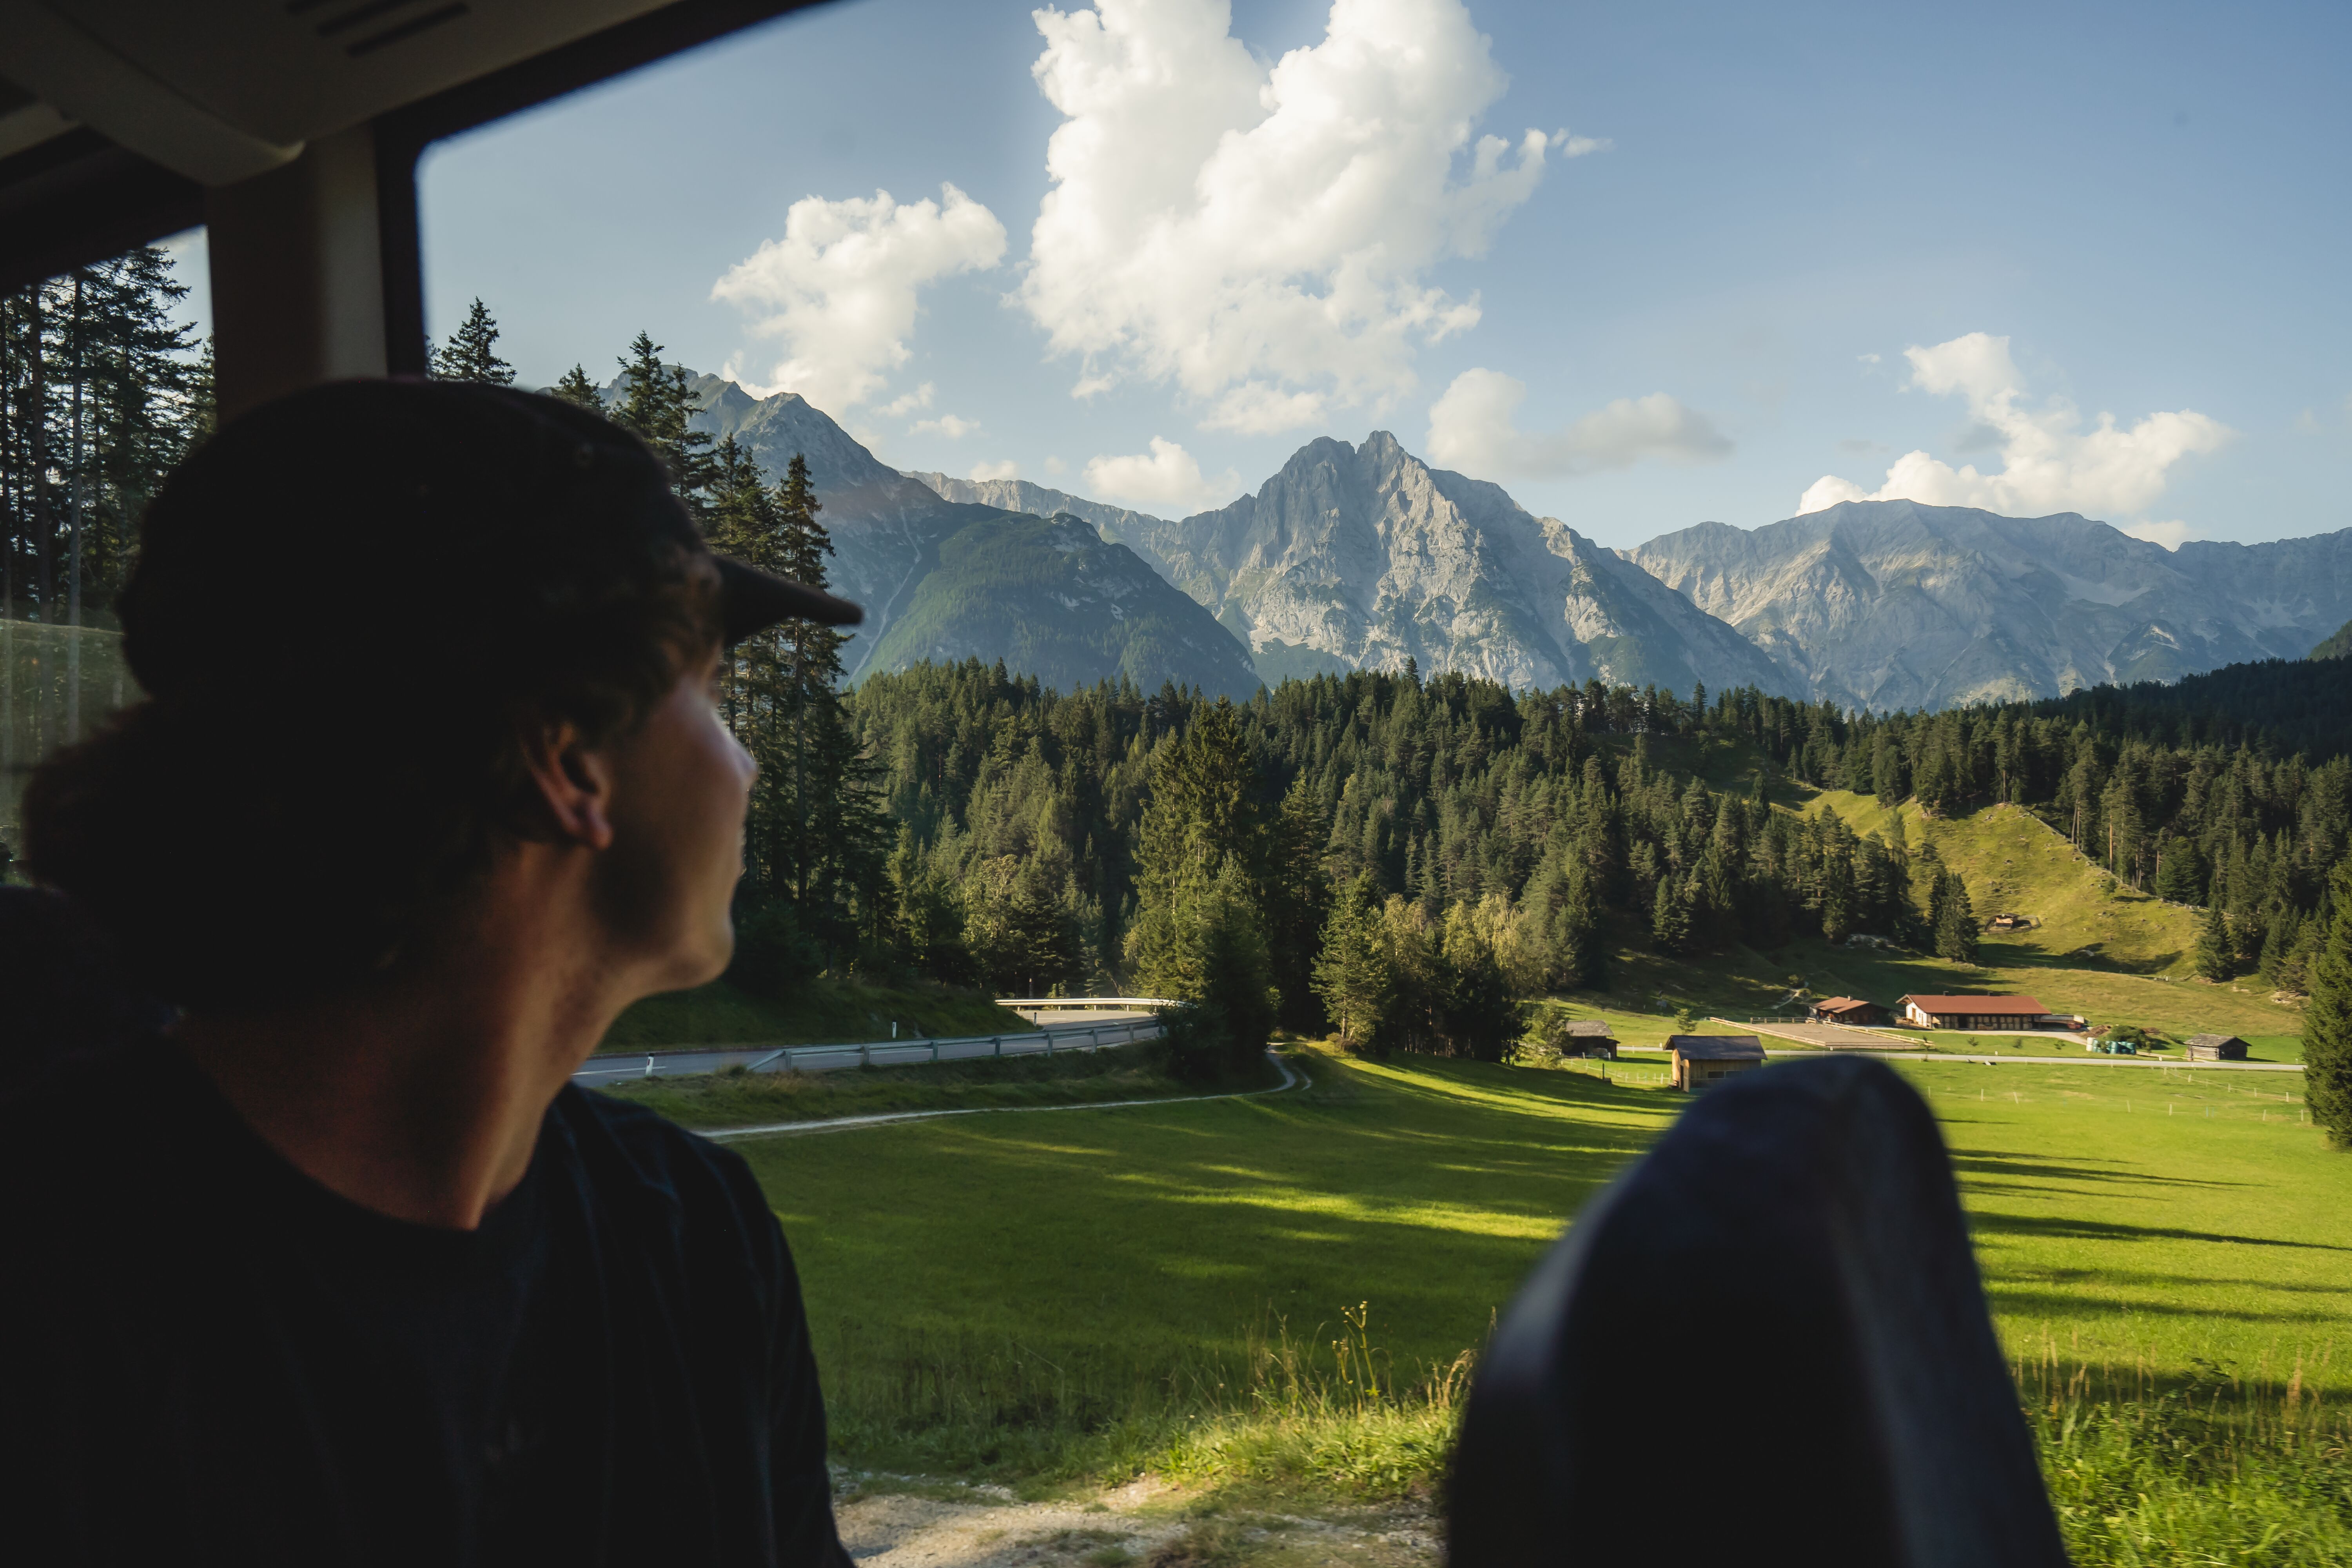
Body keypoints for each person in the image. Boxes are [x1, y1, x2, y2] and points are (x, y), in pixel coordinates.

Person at [1, 380, 862, 1566]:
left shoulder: (707, 1241)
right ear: (568, 760)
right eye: (712, 695)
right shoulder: (47, 1291)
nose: (747, 766)